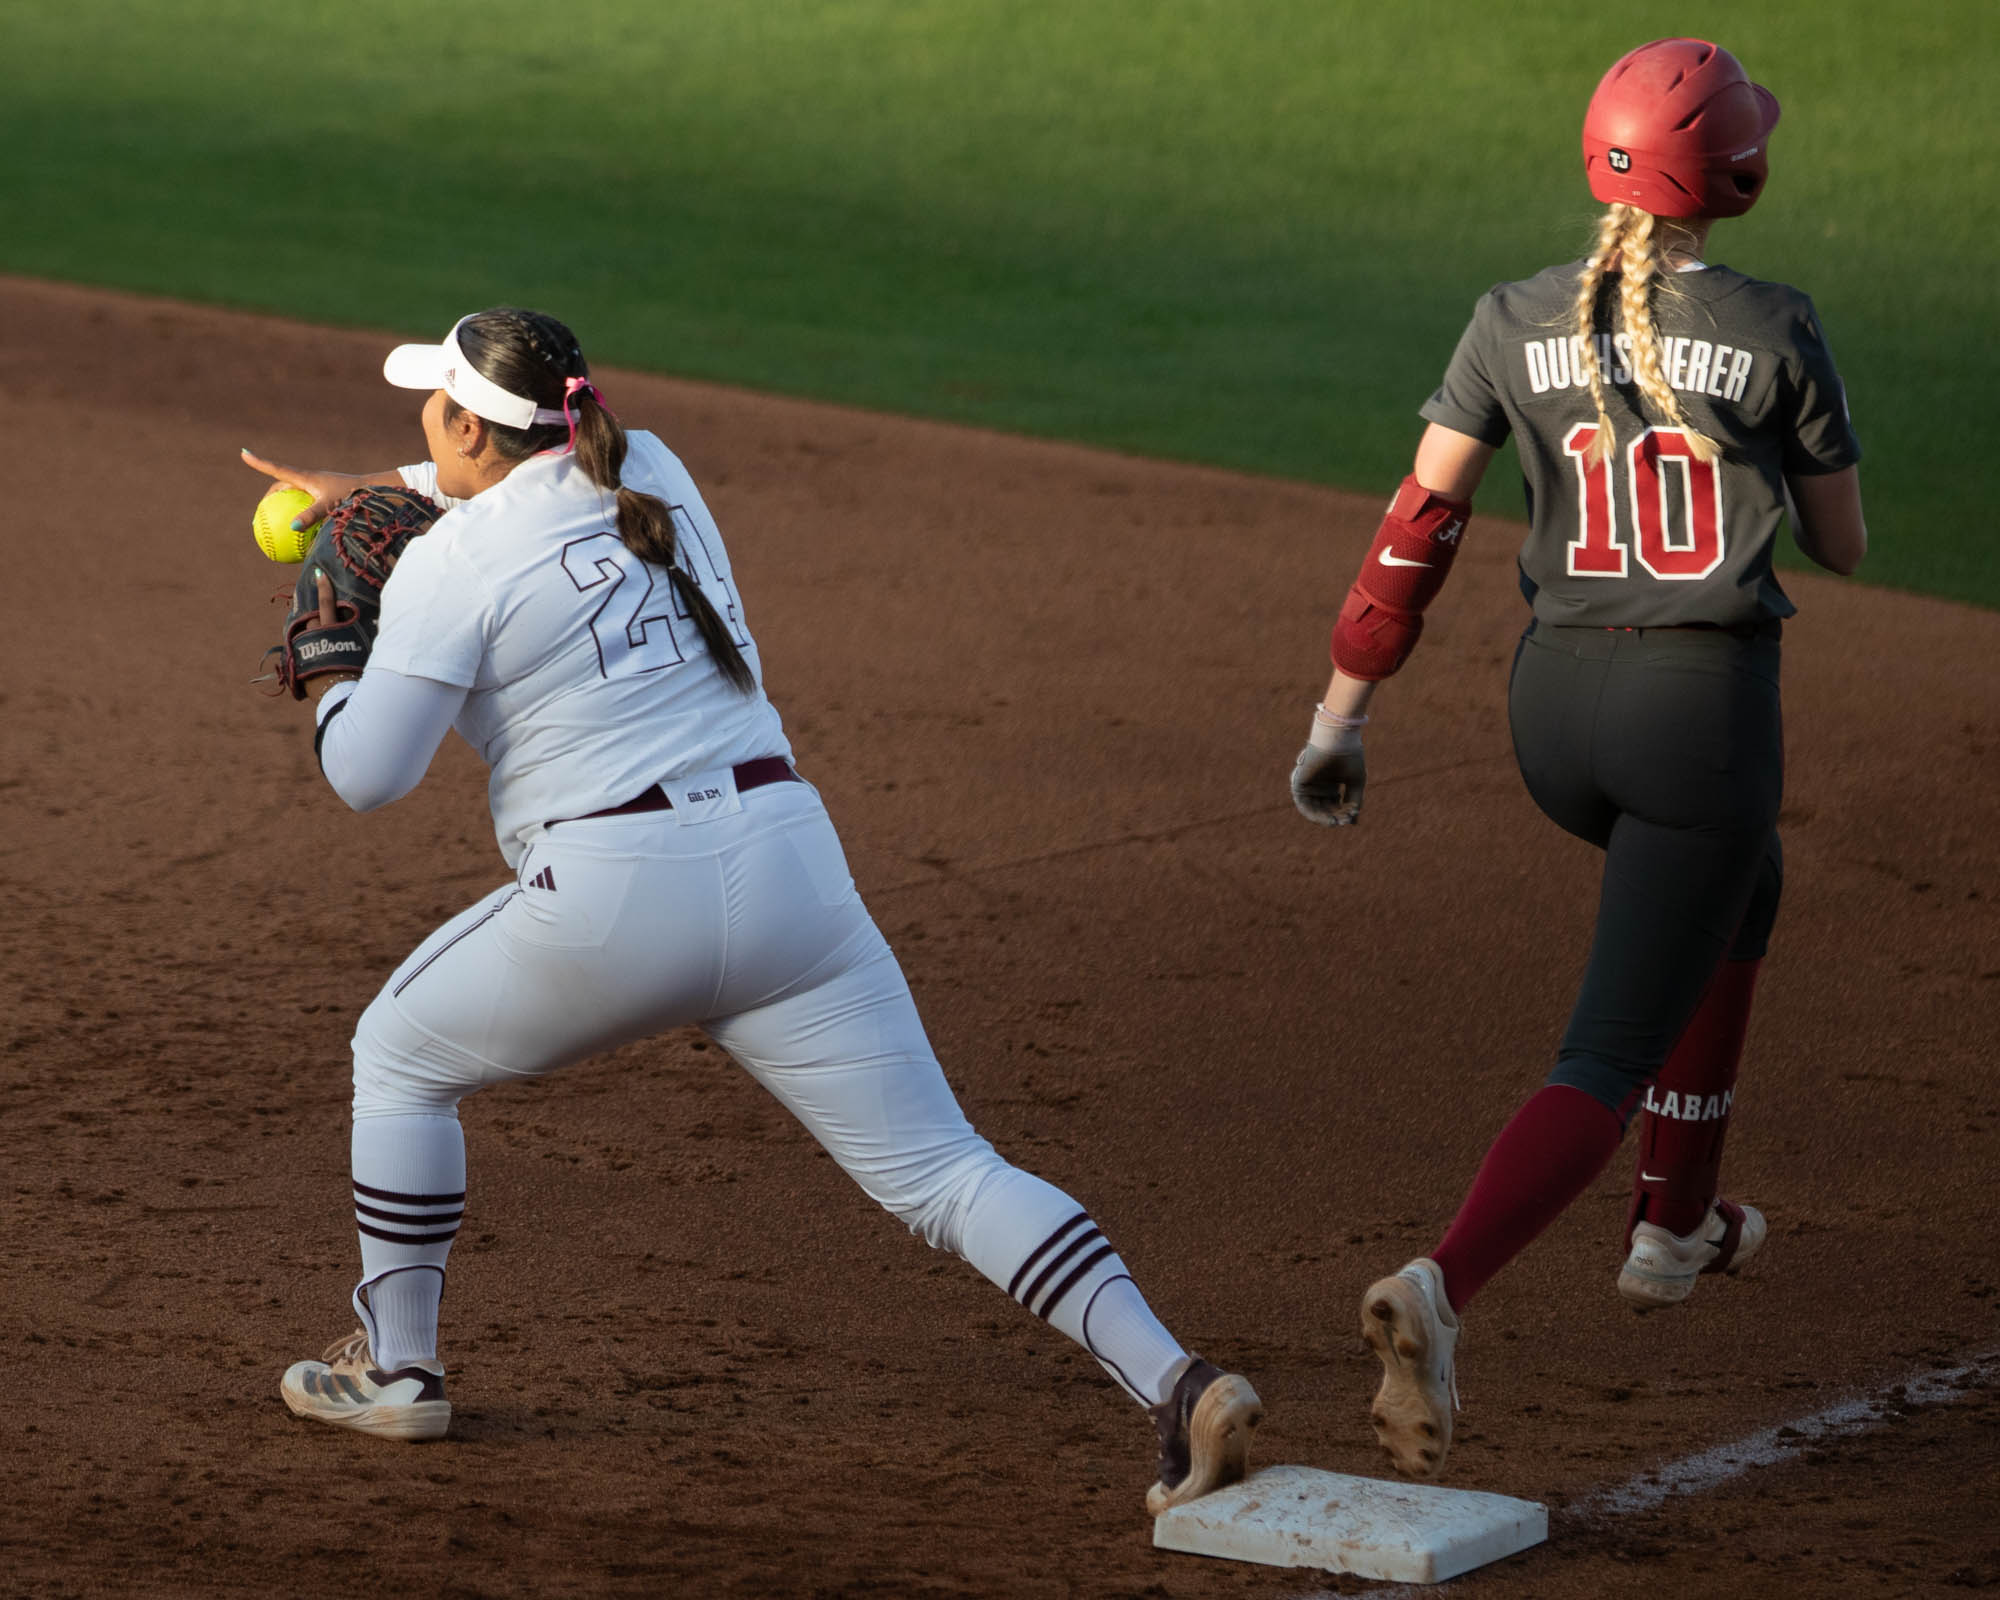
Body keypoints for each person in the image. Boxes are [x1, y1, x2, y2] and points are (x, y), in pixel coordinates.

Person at [243, 306, 1261, 1512]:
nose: (419, 421)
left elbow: (369, 774)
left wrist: (333, 662)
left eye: (433, 408)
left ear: (470, 422)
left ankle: (402, 1368)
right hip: (789, 876)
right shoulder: (647, 464)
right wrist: (370, 485)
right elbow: (498, 485)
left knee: (398, 1054)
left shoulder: (447, 569)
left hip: (616, 902)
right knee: (943, 1170)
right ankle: (1178, 1381)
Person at [1287, 39, 1866, 1478]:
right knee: (1605, 1051)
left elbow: (1414, 534)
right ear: (1736, 177)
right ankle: (1443, 1283)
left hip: (1553, 721)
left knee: (1749, 891)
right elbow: (1843, 544)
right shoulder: (1779, 325)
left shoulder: (1509, 316)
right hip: (1696, 728)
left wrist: (1338, 718)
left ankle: (1677, 1225)